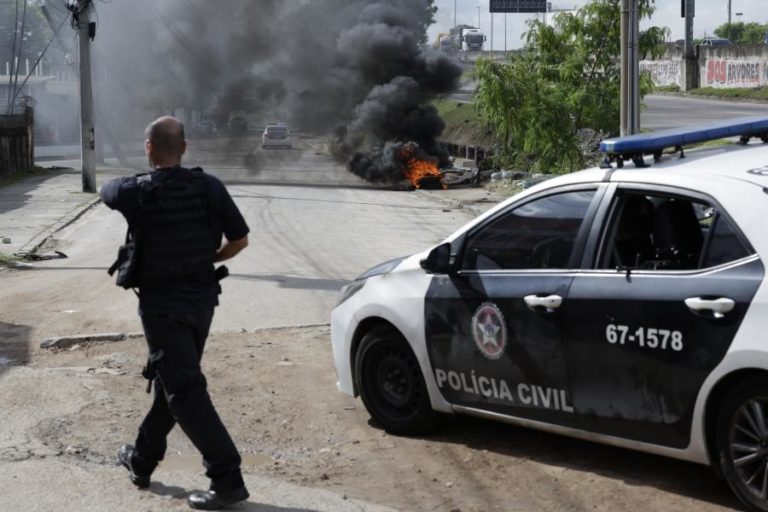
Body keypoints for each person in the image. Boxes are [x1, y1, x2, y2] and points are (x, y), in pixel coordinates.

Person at [100, 116, 250, 510]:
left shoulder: (134, 191)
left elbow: (106, 189)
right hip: (202, 302)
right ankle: (142, 459)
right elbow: (240, 240)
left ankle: (227, 478)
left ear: (148, 147)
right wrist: (207, 258)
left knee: (183, 390)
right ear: (184, 148)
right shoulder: (210, 187)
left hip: (163, 307)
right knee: (174, 381)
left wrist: (138, 176)